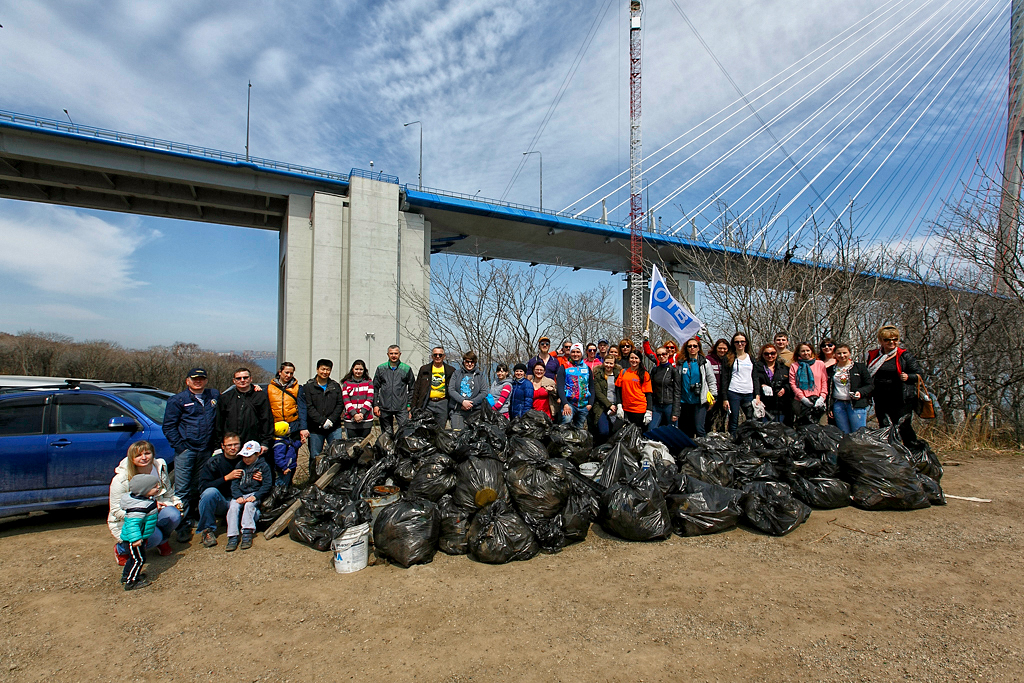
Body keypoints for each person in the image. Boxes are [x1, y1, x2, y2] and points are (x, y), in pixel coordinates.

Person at [162, 367, 219, 542]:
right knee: (182, 489)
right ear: (187, 381)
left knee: (200, 486)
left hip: (206, 450)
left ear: (206, 381)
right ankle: (182, 525)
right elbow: (169, 426)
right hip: (187, 451)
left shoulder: (213, 396)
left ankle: (197, 518)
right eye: (194, 379)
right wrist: (180, 447)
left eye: (201, 379)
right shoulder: (178, 400)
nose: (198, 382)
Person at [109, 440, 181, 566]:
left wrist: (177, 504)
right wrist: (146, 510)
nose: (144, 458)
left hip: (153, 513)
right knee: (154, 537)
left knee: (174, 515)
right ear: (131, 458)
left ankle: (162, 540)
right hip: (129, 521)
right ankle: (121, 549)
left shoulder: (159, 468)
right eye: (138, 455)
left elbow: (169, 493)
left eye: (147, 453)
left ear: (153, 454)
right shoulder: (121, 479)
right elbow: (116, 510)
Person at [866, 325, 924, 447]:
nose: (892, 342)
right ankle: (891, 454)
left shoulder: (904, 355)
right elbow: (868, 374)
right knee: (884, 427)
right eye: (887, 340)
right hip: (881, 397)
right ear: (881, 341)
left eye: (895, 339)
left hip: (901, 399)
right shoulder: (874, 356)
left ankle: (913, 451)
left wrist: (908, 377)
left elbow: (919, 374)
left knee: (903, 427)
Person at [195, 432, 252, 548]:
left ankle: (247, 531)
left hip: (242, 501)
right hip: (223, 502)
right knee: (209, 493)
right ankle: (207, 530)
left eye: (236, 444)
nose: (233, 448)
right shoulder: (214, 462)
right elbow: (203, 486)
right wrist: (226, 478)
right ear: (222, 446)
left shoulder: (247, 459)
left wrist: (259, 477)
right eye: (229, 445)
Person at [225, 441, 272, 552]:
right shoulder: (240, 465)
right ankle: (232, 535)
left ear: (257, 454)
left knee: (249, 506)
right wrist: (237, 496)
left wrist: (256, 496)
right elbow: (235, 484)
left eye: (249, 456)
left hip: (254, 493)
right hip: (241, 493)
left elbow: (267, 484)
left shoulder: (264, 466)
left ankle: (247, 532)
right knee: (233, 508)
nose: (246, 459)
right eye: (244, 456)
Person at [118, 473, 161, 591]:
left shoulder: (143, 500)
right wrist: (136, 539)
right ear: (144, 490)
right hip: (134, 540)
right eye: (154, 487)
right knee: (139, 559)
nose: (158, 488)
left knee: (133, 559)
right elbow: (133, 524)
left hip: (139, 536)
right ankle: (131, 582)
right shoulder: (138, 507)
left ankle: (127, 576)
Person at [300, 359, 343, 476]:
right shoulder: (308, 387)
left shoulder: (335, 386)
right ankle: (314, 481)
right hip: (315, 428)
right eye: (323, 369)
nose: (325, 372)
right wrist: (322, 421)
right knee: (315, 456)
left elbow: (340, 404)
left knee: (336, 454)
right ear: (317, 369)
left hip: (334, 427)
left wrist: (331, 420)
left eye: (328, 369)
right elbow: (309, 406)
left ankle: (334, 479)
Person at [216, 367, 273, 454]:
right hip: (231, 445)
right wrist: (218, 444)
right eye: (238, 378)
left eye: (245, 378)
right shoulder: (226, 397)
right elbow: (219, 422)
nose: (242, 380)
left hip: (253, 443)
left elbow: (266, 420)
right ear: (234, 381)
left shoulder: (260, 396)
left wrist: (265, 443)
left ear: (251, 379)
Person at [267, 362, 302, 486]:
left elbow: (302, 408)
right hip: (276, 428)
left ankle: (288, 485)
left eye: (291, 373)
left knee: (291, 457)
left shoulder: (297, 388)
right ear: (280, 372)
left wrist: (302, 428)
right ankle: (275, 485)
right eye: (286, 372)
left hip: (292, 427)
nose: (288, 375)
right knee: (276, 456)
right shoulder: (270, 388)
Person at [677, 337, 716, 438]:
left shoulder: (704, 363)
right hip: (685, 401)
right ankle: (689, 451)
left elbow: (711, 380)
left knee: (699, 428)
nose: (692, 348)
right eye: (689, 346)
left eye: (695, 346)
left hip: (700, 401)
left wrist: (713, 396)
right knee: (686, 429)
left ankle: (702, 450)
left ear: (699, 348)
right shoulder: (682, 363)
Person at [722, 332, 761, 434]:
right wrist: (725, 398)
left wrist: (757, 394)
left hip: (749, 393)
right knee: (733, 420)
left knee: (750, 419)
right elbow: (724, 379)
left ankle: (748, 440)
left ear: (746, 343)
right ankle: (733, 441)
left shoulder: (751, 358)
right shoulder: (729, 358)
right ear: (733, 343)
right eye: (737, 342)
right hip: (734, 392)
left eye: (742, 342)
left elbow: (755, 377)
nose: (740, 344)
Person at [829, 344, 873, 433]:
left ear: (849, 353)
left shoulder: (859, 367)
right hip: (838, 405)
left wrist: (860, 392)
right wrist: (830, 407)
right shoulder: (831, 370)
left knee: (858, 433)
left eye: (844, 353)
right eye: (839, 353)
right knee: (844, 433)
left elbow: (870, 385)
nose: (842, 356)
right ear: (835, 355)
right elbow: (828, 389)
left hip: (856, 404)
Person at [373, 345, 415, 435]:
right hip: (384, 407)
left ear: (400, 354)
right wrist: (376, 405)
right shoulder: (381, 368)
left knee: (404, 433)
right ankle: (388, 449)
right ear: (387, 354)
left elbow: (412, 388)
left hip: (402, 407)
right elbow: (375, 388)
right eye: (391, 353)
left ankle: (401, 449)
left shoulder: (406, 369)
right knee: (387, 435)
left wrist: (409, 404)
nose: (393, 355)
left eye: (396, 353)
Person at [412, 346, 455, 430]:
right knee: (426, 430)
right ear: (432, 356)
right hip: (428, 403)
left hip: (443, 403)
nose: (437, 357)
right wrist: (413, 407)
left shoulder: (450, 370)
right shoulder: (424, 369)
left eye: (440, 355)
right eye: (435, 355)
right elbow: (417, 389)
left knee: (440, 430)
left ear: (444, 356)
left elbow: (454, 389)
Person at [556, 343, 594, 428]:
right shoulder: (564, 367)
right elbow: (560, 387)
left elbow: (591, 386)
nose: (575, 354)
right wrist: (565, 403)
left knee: (580, 429)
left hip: (584, 405)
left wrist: (590, 403)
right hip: (569, 403)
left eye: (578, 352)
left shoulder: (587, 368)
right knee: (566, 422)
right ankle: (561, 441)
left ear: (581, 354)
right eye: (573, 352)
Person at [789, 342, 828, 425]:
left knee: (822, 427)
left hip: (818, 400)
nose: (805, 353)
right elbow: (793, 384)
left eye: (808, 350)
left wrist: (822, 397)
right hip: (801, 402)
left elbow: (824, 382)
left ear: (811, 351)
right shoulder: (794, 366)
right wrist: (802, 398)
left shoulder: (820, 364)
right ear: (798, 352)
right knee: (804, 428)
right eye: (803, 351)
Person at [448, 350, 487, 429]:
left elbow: (484, 392)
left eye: (472, 362)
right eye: (467, 361)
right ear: (464, 362)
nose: (469, 364)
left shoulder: (480, 375)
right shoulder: (456, 373)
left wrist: (470, 404)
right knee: (457, 435)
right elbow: (451, 390)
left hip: (475, 411)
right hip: (458, 411)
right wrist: (463, 401)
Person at [615, 349, 653, 427]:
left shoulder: (644, 374)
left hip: (639, 409)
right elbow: (618, 389)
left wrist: (649, 411)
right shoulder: (623, 372)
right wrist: (619, 405)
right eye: (632, 358)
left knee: (637, 434)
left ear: (639, 360)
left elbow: (648, 394)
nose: (634, 360)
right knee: (615, 430)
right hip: (625, 409)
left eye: (636, 358)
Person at [755, 344, 791, 424]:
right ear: (762, 355)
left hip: (780, 404)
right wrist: (762, 386)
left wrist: (785, 389)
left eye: (772, 353)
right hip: (765, 404)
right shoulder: (757, 368)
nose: (770, 356)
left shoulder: (783, 368)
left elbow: (789, 383)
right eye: (766, 354)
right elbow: (753, 382)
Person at [340, 360, 374, 440]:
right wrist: (354, 414)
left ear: (364, 370)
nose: (358, 371)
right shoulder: (346, 383)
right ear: (352, 369)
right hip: (350, 420)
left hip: (366, 420)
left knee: (364, 446)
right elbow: (346, 400)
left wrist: (362, 413)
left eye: (361, 369)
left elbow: (370, 398)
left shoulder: (369, 382)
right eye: (356, 369)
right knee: (352, 445)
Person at [590, 355, 620, 440]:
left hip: (616, 405)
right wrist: (609, 405)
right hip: (601, 406)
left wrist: (617, 405)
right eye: (607, 363)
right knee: (604, 431)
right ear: (603, 363)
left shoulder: (618, 374)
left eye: (611, 363)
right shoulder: (598, 374)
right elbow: (598, 392)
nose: (608, 365)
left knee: (616, 430)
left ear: (614, 364)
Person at [649, 346, 679, 428]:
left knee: (672, 431)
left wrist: (676, 412)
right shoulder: (655, 370)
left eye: (664, 354)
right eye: (659, 355)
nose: (661, 356)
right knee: (651, 429)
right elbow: (650, 389)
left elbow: (677, 392)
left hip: (669, 405)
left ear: (668, 354)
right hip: (657, 405)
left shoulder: (674, 371)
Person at [704, 339, 730, 433]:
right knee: (709, 418)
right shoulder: (708, 359)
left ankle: (721, 437)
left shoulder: (729, 360)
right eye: (720, 348)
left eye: (724, 348)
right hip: (711, 394)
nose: (722, 350)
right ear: (715, 348)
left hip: (724, 394)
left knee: (722, 419)